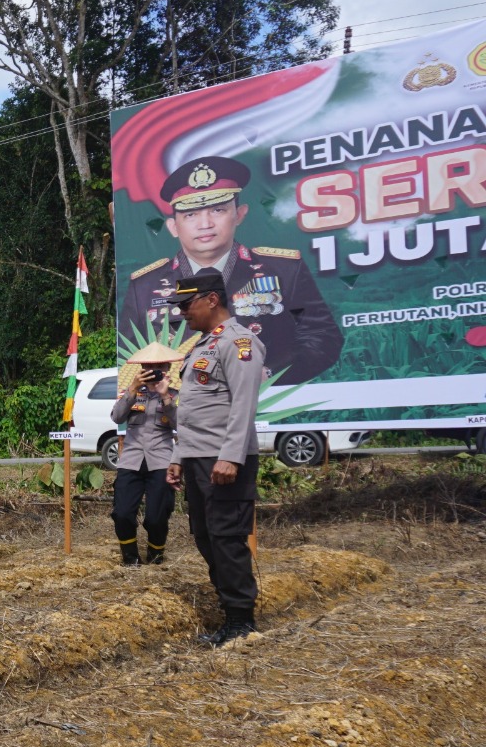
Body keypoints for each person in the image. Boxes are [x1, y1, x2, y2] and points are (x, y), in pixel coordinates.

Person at [119, 155, 342, 384]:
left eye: (217, 210)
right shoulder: (145, 286)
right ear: (173, 226)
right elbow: (129, 355)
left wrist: (269, 374)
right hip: (181, 411)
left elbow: (322, 336)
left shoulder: (283, 269)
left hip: (261, 405)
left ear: (239, 214)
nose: (205, 224)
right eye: (191, 214)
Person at [164, 269, 266, 646]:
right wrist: (179, 456)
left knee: (226, 538)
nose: (182, 314)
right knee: (206, 537)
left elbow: (243, 405)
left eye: (186, 305)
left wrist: (231, 457)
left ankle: (242, 622)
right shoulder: (203, 345)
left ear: (211, 299)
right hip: (199, 458)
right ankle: (230, 615)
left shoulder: (239, 342)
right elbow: (192, 412)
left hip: (225, 461)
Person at [110, 343, 181, 566]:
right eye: (149, 366)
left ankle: (156, 555)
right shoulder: (132, 392)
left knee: (157, 515)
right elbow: (117, 417)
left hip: (161, 460)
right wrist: (132, 388)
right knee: (122, 513)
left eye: (158, 366)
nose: (154, 370)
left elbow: (182, 424)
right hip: (131, 459)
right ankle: (130, 559)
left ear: (167, 367)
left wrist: (165, 397)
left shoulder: (176, 395)